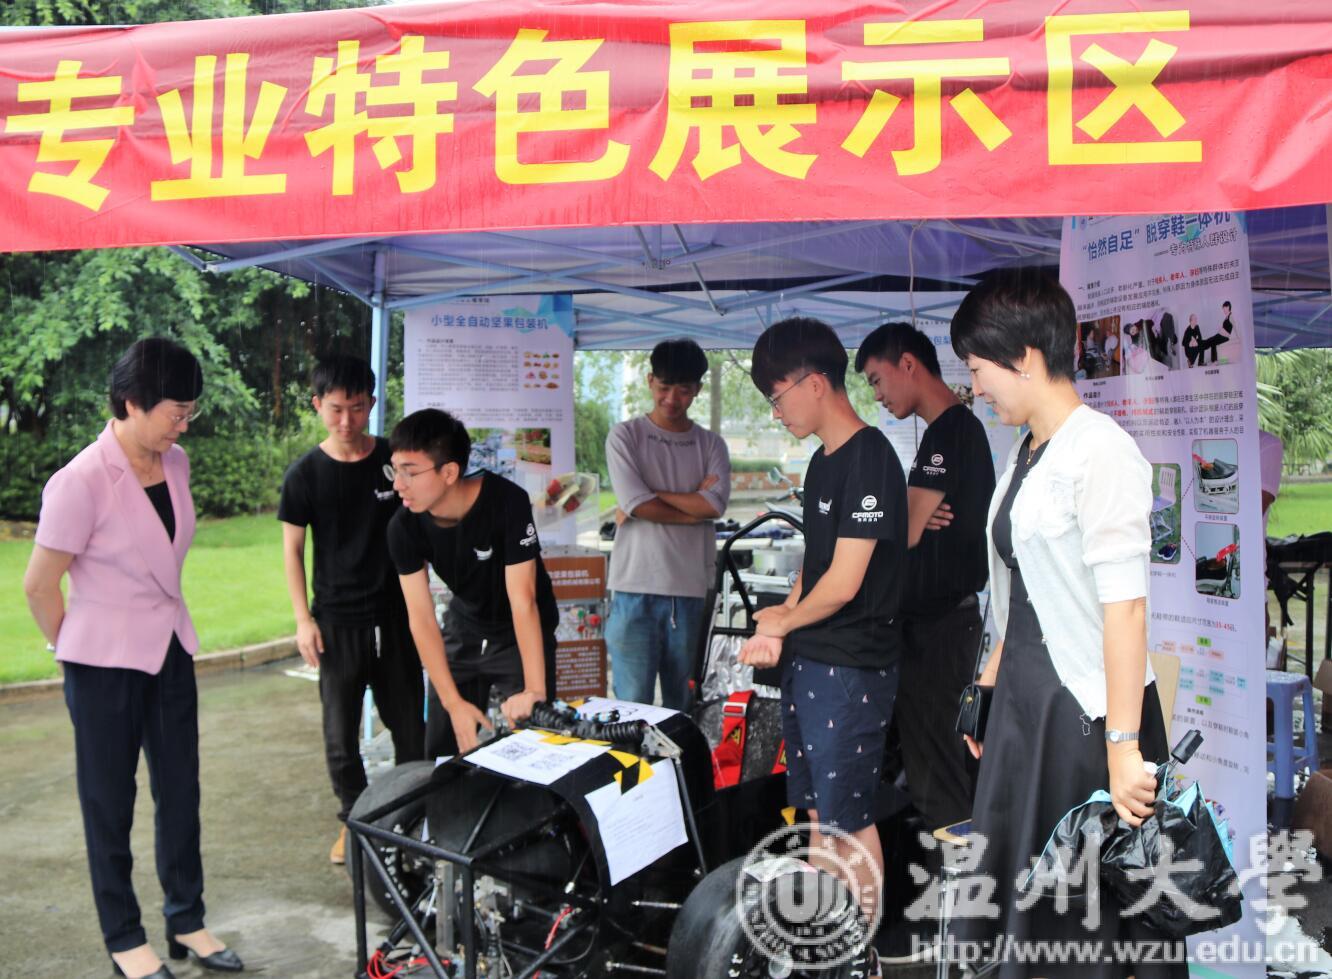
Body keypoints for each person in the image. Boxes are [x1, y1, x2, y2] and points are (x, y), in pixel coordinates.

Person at [949, 269, 1186, 979]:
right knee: (1020, 901)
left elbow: (1126, 608)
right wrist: (987, 684)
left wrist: (1123, 748)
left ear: (1024, 356)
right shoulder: (1025, 449)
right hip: (1023, 706)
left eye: (978, 369)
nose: (975, 387)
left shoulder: (1100, 450)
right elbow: (1025, 585)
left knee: (1080, 918)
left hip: (1083, 718)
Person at [23, 339, 243, 979]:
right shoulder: (79, 481)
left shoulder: (176, 464)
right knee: (109, 804)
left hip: (169, 649)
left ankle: (187, 918)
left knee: (181, 793)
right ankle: (124, 937)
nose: (183, 425)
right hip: (101, 666)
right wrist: (71, 651)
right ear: (131, 403)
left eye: (190, 413)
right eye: (176, 412)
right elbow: (39, 586)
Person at [739, 317, 907, 971]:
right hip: (813, 661)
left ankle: (859, 958)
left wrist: (783, 624)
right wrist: (783, 614)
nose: (776, 412)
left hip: (854, 667)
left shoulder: (871, 457)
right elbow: (815, 567)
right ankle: (822, 950)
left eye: (777, 396)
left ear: (814, 383)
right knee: (814, 815)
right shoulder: (821, 461)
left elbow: (845, 582)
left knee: (849, 820)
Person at [278, 355, 425, 865]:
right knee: (340, 740)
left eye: (358, 408)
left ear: (372, 404)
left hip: (396, 619)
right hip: (337, 622)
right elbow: (292, 550)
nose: (347, 421)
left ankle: (409, 821)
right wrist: (303, 620)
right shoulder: (304, 475)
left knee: (410, 730)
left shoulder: (393, 460)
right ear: (318, 405)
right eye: (336, 409)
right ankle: (354, 822)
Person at [855, 322, 994, 834]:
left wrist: (901, 514)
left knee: (937, 763)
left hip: (940, 627)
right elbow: (911, 521)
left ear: (908, 364)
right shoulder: (949, 433)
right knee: (927, 757)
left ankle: (960, 873)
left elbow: (907, 531)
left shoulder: (951, 432)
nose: (877, 395)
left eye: (877, 379)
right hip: (934, 623)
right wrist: (906, 508)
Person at [386, 408, 559, 757]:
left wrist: (534, 691)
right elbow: (420, 617)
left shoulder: (507, 502)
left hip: (517, 634)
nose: (397, 484)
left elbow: (523, 599)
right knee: (444, 750)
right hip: (465, 627)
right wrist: (453, 704)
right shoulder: (402, 527)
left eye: (410, 472)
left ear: (449, 472)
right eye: (394, 470)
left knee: (534, 747)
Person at [605, 338, 731, 709]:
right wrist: (691, 505)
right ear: (649, 381)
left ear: (698, 390)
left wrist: (647, 495)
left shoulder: (711, 444)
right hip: (632, 589)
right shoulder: (625, 436)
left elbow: (714, 504)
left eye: (684, 390)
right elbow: (637, 503)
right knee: (631, 707)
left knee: (684, 706)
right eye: (664, 387)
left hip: (689, 590)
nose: (672, 399)